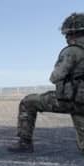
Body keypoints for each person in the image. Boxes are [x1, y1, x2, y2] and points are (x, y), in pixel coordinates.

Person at [8, 13, 84, 153]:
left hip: (72, 101)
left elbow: (55, 77)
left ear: (73, 32)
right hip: (80, 102)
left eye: (67, 34)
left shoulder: (72, 51)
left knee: (28, 102)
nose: (66, 38)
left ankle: (25, 143)